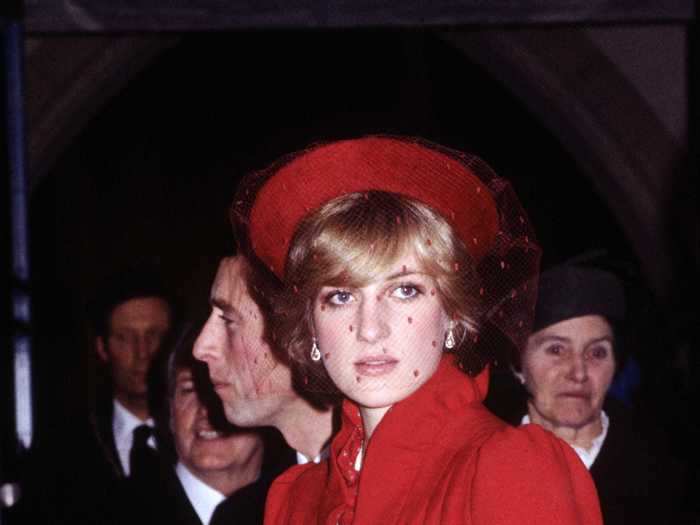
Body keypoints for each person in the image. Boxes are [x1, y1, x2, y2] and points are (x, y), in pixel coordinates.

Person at [235, 136, 603, 524]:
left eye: (404, 290)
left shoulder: (507, 467)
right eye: (341, 297)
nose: (370, 329)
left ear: (453, 315)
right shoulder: (296, 500)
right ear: (310, 325)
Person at [511, 261, 684, 524]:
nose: (578, 373)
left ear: (616, 364)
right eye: (556, 350)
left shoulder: (660, 473)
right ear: (518, 364)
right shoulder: (485, 462)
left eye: (597, 353)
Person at [115, 323, 285, 525]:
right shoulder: (107, 512)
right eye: (190, 389)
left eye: (226, 388)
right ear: (169, 410)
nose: (207, 409)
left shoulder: (301, 510)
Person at [193, 255, 334, 465]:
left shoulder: (397, 484)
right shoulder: (267, 496)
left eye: (227, 320)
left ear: (304, 329)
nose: (201, 349)